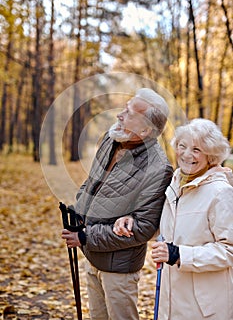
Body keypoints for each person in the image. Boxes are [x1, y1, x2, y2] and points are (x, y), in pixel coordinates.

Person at [61, 87, 173, 320]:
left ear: (145, 129)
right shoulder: (110, 139)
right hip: (91, 255)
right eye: (124, 108)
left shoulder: (158, 168)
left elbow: (143, 228)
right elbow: (92, 182)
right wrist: (79, 211)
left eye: (130, 113)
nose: (120, 115)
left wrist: (85, 237)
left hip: (119, 268)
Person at [114, 118, 233, 320]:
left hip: (204, 307)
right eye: (182, 146)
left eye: (197, 149)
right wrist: (133, 220)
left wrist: (179, 255)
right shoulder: (175, 184)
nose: (187, 155)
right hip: (170, 299)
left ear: (211, 155)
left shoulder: (221, 193)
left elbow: (229, 250)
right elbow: (170, 227)